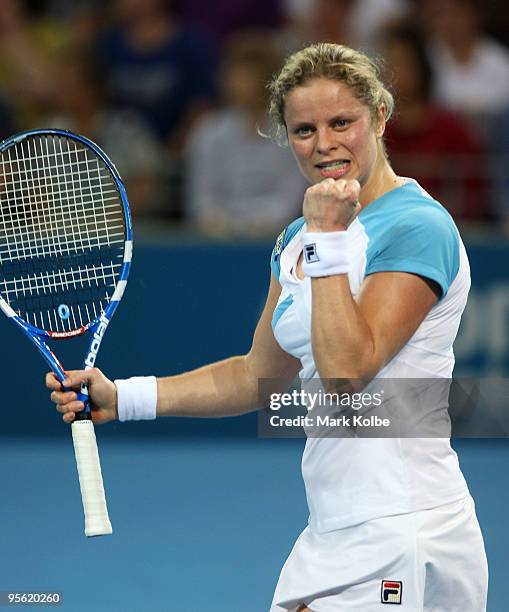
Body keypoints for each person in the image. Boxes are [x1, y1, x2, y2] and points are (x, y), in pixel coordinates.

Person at [47, 43, 488, 611]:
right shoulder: (298, 240)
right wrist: (123, 397)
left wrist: (327, 238)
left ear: (381, 117)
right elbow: (257, 374)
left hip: (405, 526)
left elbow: (348, 373)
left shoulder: (416, 226)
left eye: (342, 122)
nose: (324, 143)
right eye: (304, 129)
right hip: (338, 529)